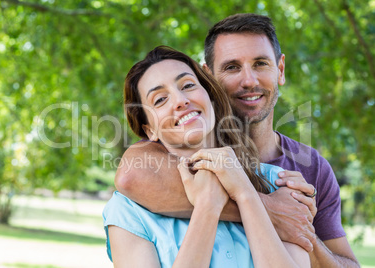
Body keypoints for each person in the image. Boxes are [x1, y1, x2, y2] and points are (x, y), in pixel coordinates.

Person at [114, 14, 359, 267]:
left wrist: (301, 230)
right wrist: (263, 207)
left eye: (261, 63)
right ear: (209, 78)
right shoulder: (151, 162)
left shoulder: (296, 176)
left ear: (281, 70)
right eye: (232, 67)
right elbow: (130, 177)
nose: (249, 81)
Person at [103, 45, 309, 267]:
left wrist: (245, 192)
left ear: (210, 96)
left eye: (188, 85)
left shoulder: (279, 185)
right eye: (160, 99)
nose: (180, 100)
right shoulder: (128, 211)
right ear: (149, 130)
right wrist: (207, 205)